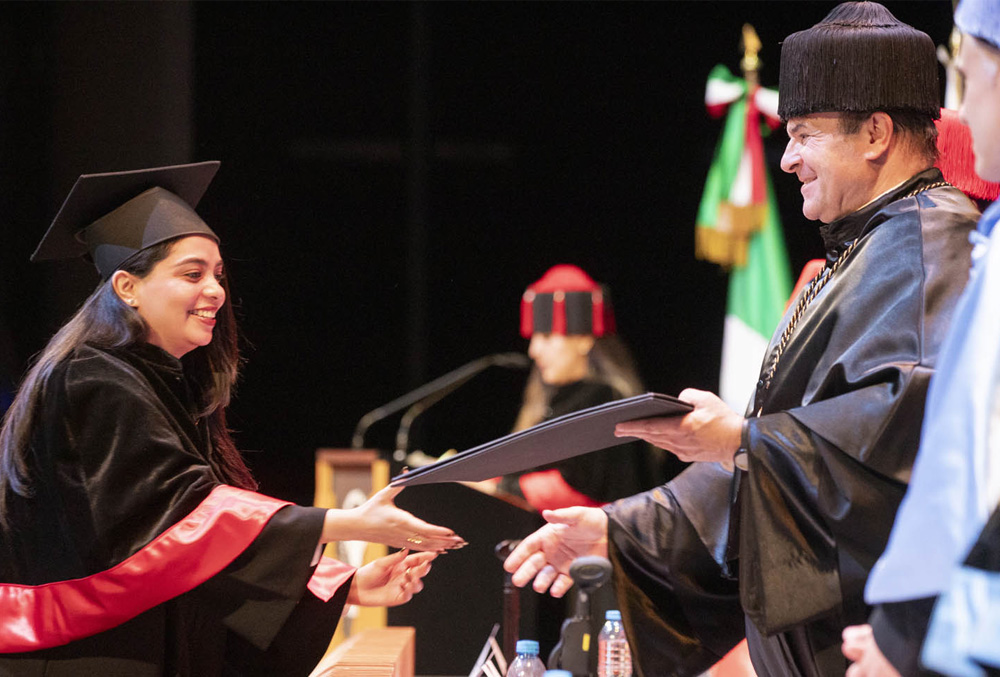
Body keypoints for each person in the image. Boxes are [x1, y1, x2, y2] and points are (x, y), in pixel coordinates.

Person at [503, 4, 981, 676]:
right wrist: (622, 528)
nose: (786, 159)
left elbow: (906, 437)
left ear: (875, 132)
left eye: (804, 134)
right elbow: (780, 468)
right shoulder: (865, 253)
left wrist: (739, 441)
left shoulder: (939, 243)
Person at [0, 162, 466, 676]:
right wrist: (349, 523)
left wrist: (345, 585)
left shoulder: (155, 382)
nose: (216, 290)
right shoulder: (92, 378)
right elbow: (181, 518)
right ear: (127, 287)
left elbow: (188, 554)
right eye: (192, 273)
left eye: (218, 274)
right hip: (87, 655)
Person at [840, 1, 1000, 675]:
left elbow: (975, 464)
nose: (959, 112)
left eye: (967, 77)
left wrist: (909, 632)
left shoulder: (933, 240)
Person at [497, 263, 678, 511]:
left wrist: (502, 489)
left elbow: (584, 488)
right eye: (534, 338)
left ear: (584, 340)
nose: (534, 351)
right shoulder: (557, 399)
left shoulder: (606, 399)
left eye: (547, 337)